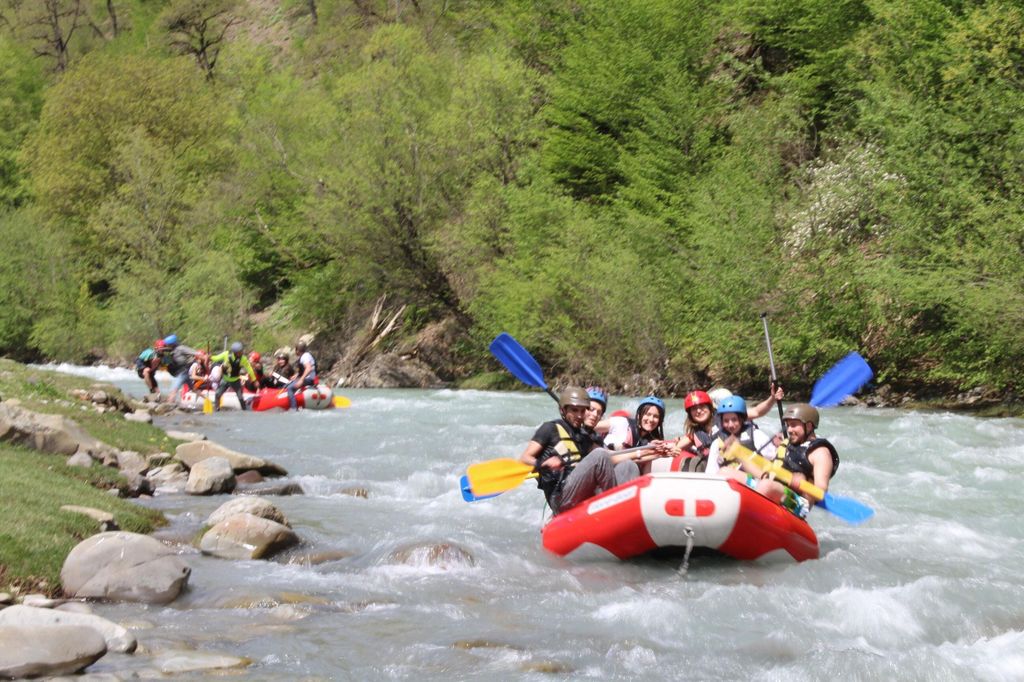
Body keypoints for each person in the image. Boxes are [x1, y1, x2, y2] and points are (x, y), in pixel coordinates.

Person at [519, 387, 647, 515]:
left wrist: (651, 452)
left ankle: (628, 512)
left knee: (628, 466)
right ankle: (614, 509)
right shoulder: (549, 428)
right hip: (560, 496)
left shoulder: (584, 436)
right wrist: (542, 464)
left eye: (582, 411)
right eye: (574, 410)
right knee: (599, 455)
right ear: (563, 410)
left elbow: (611, 457)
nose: (579, 415)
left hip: (581, 491)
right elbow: (524, 459)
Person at [755, 403, 839, 518]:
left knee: (766, 485)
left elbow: (821, 492)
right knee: (730, 473)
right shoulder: (788, 444)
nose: (789, 430)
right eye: (788, 425)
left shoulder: (821, 452)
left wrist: (799, 483)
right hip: (774, 490)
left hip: (797, 504)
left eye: (793, 425)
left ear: (809, 426)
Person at [706, 395, 774, 477]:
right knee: (723, 472)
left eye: (734, 420)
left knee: (724, 471)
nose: (730, 425)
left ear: (742, 419)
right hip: (728, 483)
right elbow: (711, 473)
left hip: (755, 482)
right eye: (726, 421)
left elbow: (773, 461)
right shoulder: (717, 443)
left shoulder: (757, 436)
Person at [209, 342, 257, 411]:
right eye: (240, 351)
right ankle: (217, 409)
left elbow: (249, 369)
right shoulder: (226, 354)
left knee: (240, 398)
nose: (242, 352)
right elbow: (216, 358)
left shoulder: (243, 359)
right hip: (225, 380)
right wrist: (210, 357)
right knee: (217, 394)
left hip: (235, 381)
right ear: (235, 352)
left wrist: (254, 380)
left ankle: (244, 410)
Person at [286, 340, 317, 410]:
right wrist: (296, 376)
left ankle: (293, 408)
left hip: (309, 379)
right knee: (289, 383)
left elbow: (308, 368)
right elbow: (306, 369)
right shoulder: (306, 355)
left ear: (297, 350)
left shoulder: (304, 357)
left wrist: (301, 380)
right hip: (310, 378)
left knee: (290, 388)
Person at [163, 338, 198, 402]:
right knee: (193, 389)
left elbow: (196, 353)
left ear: (171, 344)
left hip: (182, 373)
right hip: (183, 373)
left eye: (167, 345)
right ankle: (206, 399)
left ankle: (169, 406)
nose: (166, 346)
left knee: (173, 391)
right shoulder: (173, 350)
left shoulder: (181, 348)